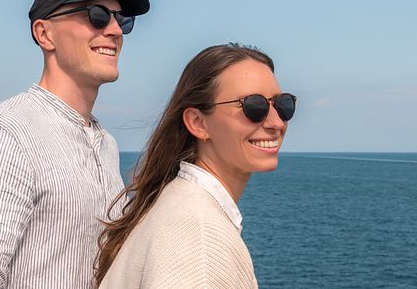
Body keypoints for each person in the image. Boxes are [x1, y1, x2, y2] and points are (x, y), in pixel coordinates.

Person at [0, 0, 150, 288]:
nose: (115, 30)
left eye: (122, 20)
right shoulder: (3, 137)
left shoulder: (105, 142)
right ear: (45, 34)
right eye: (97, 15)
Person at [95, 43, 297, 289]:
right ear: (198, 123)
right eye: (254, 106)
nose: (276, 122)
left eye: (283, 105)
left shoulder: (179, 205)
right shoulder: (199, 239)